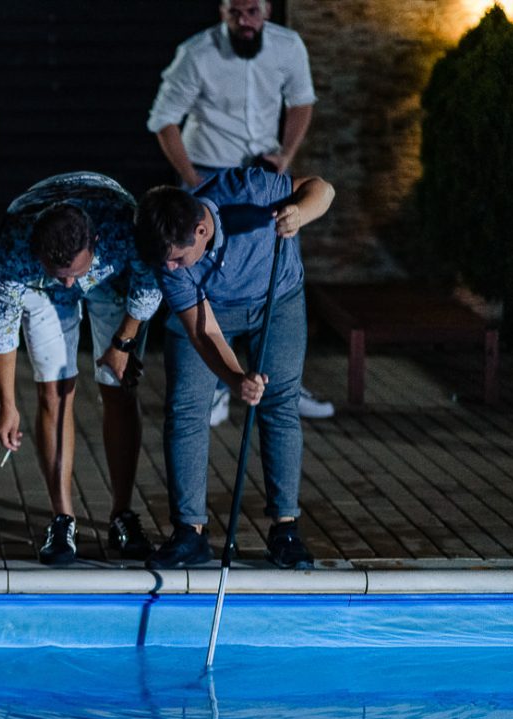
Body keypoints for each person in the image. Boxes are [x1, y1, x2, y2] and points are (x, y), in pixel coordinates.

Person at [133, 167, 334, 570]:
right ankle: (190, 532)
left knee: (279, 403)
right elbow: (203, 332)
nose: (171, 268)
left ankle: (285, 529)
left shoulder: (249, 189)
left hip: (276, 298)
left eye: (177, 258)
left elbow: (322, 189)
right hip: (212, 312)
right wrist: (235, 378)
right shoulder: (168, 265)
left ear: (202, 232)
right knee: (187, 409)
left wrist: (302, 213)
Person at [146, 0, 334, 423]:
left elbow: (302, 101)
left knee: (280, 275)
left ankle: (283, 380)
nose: (244, 21)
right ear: (221, 10)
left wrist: (286, 156)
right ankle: (217, 385)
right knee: (209, 286)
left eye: (252, 11)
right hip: (209, 181)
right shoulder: (196, 53)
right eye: (235, 12)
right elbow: (163, 120)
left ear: (267, 9)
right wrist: (194, 183)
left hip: (263, 180)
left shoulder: (289, 46)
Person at [0, 172, 162, 566]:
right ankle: (62, 518)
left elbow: (148, 289)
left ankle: (122, 513)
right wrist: (6, 403)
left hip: (111, 280)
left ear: (95, 243)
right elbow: (1, 328)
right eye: (58, 272)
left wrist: (122, 344)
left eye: (73, 273)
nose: (68, 284)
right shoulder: (16, 246)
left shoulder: (122, 227)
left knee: (119, 386)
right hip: (38, 289)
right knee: (54, 391)